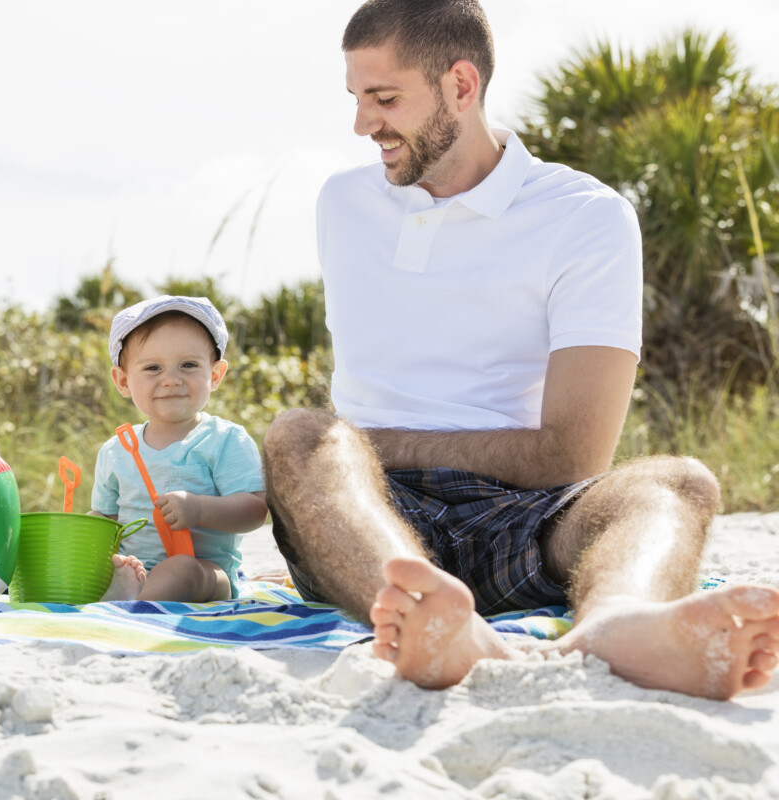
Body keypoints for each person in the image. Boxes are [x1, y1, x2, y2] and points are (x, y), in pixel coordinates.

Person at [262, 0, 779, 700]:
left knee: (677, 482)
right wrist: (364, 450)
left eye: (384, 98)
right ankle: (430, 613)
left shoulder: (585, 217)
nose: (363, 125)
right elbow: (341, 442)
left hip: (525, 515)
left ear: (461, 85)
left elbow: (574, 458)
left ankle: (618, 624)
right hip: (366, 516)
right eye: (356, 99)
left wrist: (379, 439)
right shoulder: (343, 203)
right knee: (298, 435)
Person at [91, 296, 268, 602]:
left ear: (214, 375)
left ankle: (134, 602)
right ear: (122, 381)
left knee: (182, 569)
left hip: (205, 571)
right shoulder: (116, 450)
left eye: (188, 365)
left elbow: (255, 510)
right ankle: (129, 589)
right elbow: (105, 519)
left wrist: (199, 509)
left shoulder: (224, 440)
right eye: (152, 368)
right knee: (92, 566)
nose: (171, 380)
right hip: (130, 568)